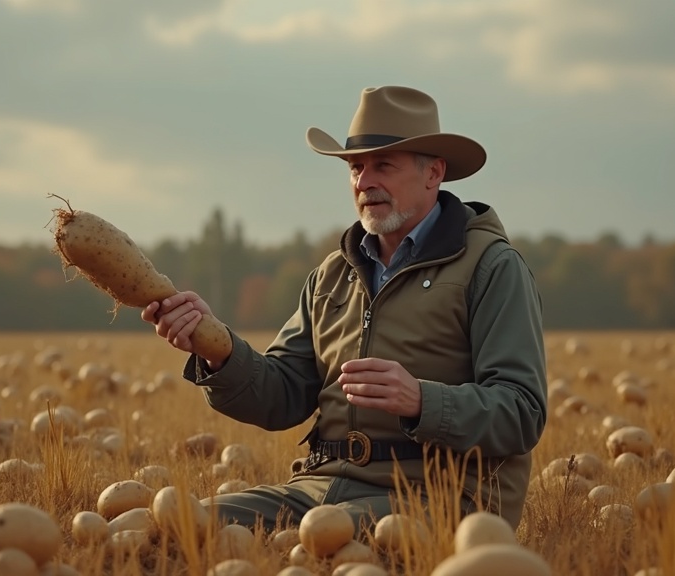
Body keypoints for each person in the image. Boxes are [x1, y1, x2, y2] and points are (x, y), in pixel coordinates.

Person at [141, 85, 547, 534]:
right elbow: (283, 396)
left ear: (434, 173)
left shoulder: (492, 267)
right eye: (355, 167)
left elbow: (522, 411)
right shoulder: (332, 274)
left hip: (441, 496)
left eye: (383, 166)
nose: (363, 182)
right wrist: (216, 347)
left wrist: (421, 401)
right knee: (170, 526)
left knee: (315, 541)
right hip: (322, 487)